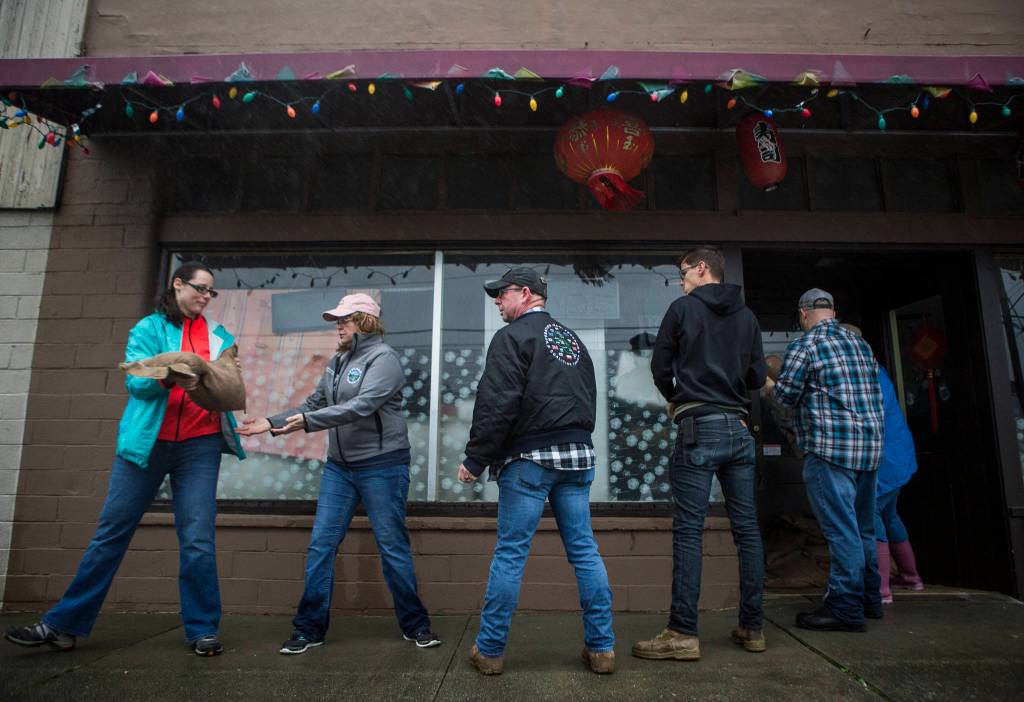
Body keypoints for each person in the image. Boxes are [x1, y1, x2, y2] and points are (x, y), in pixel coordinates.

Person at [4, 261, 245, 656]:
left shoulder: (219, 336)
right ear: (178, 284)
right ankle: (62, 626)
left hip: (199, 446)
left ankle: (203, 630)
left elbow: (228, 384)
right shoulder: (148, 329)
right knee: (111, 535)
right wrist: (168, 378)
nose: (205, 297)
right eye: (200, 288)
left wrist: (227, 376)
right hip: (146, 446)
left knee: (198, 540)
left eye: (211, 292)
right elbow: (135, 382)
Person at [237, 293, 440, 654]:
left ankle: (416, 625)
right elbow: (315, 404)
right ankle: (309, 629)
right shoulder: (337, 361)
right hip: (340, 470)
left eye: (344, 320)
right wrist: (271, 422)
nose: (338, 326)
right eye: (337, 320)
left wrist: (309, 423)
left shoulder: (384, 359)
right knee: (321, 545)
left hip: (382, 466)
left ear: (365, 321)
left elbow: (361, 407)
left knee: (392, 547)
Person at [457, 267, 615, 676]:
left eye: (501, 294)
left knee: (511, 554)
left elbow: (497, 402)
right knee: (584, 550)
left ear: (525, 294)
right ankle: (602, 650)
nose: (496, 301)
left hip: (530, 459)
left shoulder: (512, 338)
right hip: (578, 458)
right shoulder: (572, 340)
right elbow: (587, 398)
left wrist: (475, 458)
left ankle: (489, 651)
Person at [632, 246, 769, 662]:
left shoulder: (682, 310)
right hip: (739, 429)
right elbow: (757, 376)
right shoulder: (747, 317)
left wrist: (676, 398)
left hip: (697, 427)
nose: (681, 280)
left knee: (690, 530)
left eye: (684, 271)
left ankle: (683, 632)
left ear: (702, 268)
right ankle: (753, 627)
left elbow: (660, 366)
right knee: (746, 530)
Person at [765, 289, 885, 632]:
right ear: (833, 311)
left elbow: (786, 397)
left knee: (841, 531)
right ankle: (869, 601)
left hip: (830, 451)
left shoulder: (806, 346)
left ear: (803, 314)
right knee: (863, 529)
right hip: (869, 451)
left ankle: (845, 607)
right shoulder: (861, 345)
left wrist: (768, 385)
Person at [840, 324, 923, 603]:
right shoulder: (877, 369)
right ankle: (911, 577)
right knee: (890, 516)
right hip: (898, 456)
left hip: (882, 459)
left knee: (871, 517)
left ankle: (881, 589)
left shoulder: (861, 374)